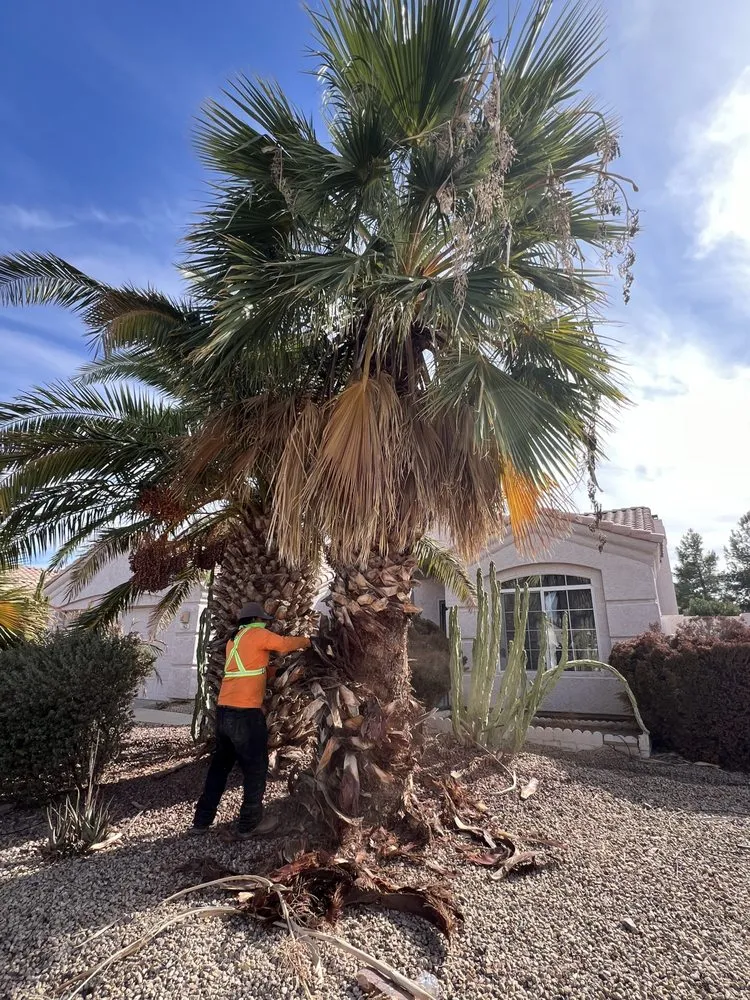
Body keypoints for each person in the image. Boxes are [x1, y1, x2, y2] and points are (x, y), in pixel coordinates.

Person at [191, 602, 311, 838]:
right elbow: (284, 645)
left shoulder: (233, 641)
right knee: (255, 768)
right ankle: (249, 824)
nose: (266, 623)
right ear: (257, 620)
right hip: (245, 715)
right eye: (264, 620)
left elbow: (247, 669)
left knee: (219, 768)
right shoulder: (258, 634)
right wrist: (308, 641)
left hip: (224, 712)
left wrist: (274, 672)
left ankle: (202, 821)